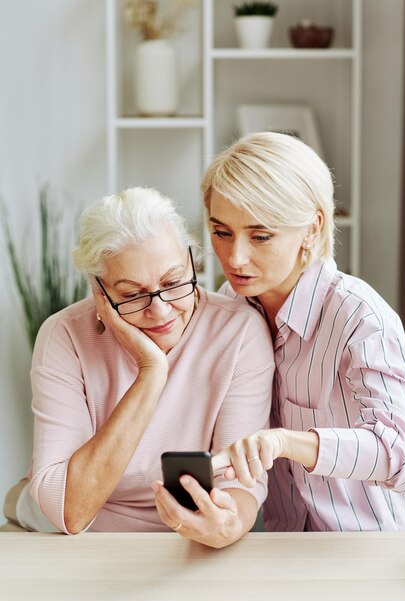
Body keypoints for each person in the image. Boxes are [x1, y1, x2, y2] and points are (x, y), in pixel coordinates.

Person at [16, 186, 275, 546]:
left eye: (173, 282)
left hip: (189, 541)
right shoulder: (65, 336)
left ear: (192, 261)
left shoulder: (239, 331)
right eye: (132, 295)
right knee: (29, 506)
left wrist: (227, 526)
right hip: (86, 540)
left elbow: (240, 480)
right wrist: (151, 373)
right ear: (99, 290)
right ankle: (18, 502)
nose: (162, 310)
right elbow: (70, 512)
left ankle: (18, 499)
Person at [202, 131, 405, 531]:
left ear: (312, 228)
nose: (235, 257)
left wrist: (286, 443)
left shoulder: (360, 317)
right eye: (221, 232)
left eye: (260, 236)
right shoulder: (230, 303)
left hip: (373, 549)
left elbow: (404, 457)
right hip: (284, 549)